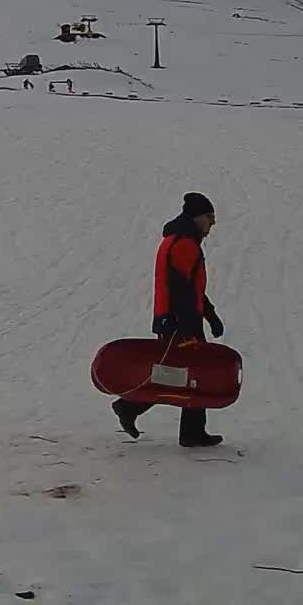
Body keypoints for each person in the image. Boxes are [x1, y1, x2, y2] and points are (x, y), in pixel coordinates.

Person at [112, 192, 226, 448]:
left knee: (180, 373)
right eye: (210, 218)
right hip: (180, 321)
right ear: (197, 218)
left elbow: (192, 287)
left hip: (177, 319)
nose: (212, 225)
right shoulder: (184, 244)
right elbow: (181, 290)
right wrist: (188, 326)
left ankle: (138, 410)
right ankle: (131, 408)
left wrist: (211, 314)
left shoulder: (181, 240)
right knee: (185, 373)